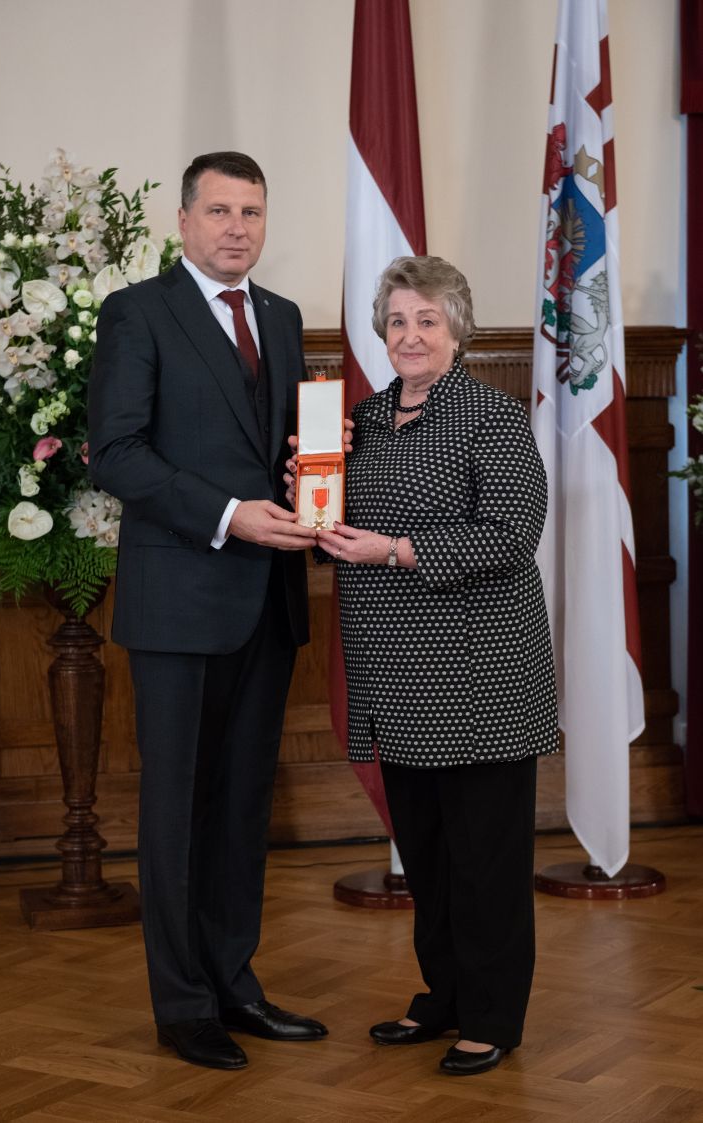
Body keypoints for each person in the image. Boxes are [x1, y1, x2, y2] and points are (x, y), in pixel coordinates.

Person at [88, 151, 330, 1071]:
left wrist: (314, 464)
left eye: (252, 212)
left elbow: (275, 447)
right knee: (178, 809)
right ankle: (184, 1005)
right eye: (220, 211)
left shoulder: (282, 315)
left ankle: (235, 983)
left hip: (267, 600)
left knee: (240, 807)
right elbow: (115, 451)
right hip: (181, 601)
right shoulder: (138, 312)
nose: (237, 227)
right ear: (184, 220)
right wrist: (231, 514)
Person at [312, 255, 559, 1077]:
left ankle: (492, 1017)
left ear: (457, 328)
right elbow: (333, 528)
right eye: (397, 320)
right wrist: (312, 495)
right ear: (381, 333)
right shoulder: (361, 421)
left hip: (480, 677)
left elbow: (511, 534)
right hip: (395, 678)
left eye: (427, 319)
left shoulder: (492, 416)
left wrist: (395, 549)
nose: (410, 334)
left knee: (486, 862)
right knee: (427, 857)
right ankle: (445, 996)